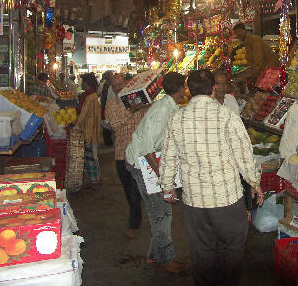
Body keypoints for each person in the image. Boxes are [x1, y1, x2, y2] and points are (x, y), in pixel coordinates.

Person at [160, 69, 263, 286]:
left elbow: (168, 156)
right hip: (227, 199)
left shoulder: (177, 118)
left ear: (188, 90)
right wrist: (254, 183)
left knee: (202, 250)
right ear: (214, 89)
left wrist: (167, 185)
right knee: (232, 246)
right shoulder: (228, 116)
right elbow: (244, 155)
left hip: (194, 201)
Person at [125, 72, 189, 274]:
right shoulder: (162, 109)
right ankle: (165, 259)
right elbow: (146, 146)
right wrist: (163, 176)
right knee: (161, 214)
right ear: (181, 88)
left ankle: (154, 255)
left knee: (159, 212)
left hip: (146, 162)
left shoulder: (169, 106)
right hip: (141, 162)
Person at [105, 73, 147, 238]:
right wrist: (132, 110)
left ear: (127, 83)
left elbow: (149, 116)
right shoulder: (111, 105)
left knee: (135, 190)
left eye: (121, 84)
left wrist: (146, 105)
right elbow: (114, 125)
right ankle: (136, 214)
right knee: (129, 191)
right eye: (115, 86)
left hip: (141, 153)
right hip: (122, 154)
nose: (118, 88)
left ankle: (134, 223)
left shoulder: (138, 98)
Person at [212, 69, 254, 220]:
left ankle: (243, 216)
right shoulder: (208, 104)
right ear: (211, 85)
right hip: (218, 157)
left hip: (235, 153)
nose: (221, 88)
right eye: (217, 84)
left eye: (224, 84)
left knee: (241, 189)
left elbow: (238, 125)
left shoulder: (230, 100)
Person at [75, 72, 102, 188]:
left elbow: (83, 114)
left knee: (91, 156)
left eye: (82, 82)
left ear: (86, 83)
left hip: (89, 130)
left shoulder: (90, 97)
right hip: (93, 129)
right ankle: (95, 179)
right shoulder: (93, 95)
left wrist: (76, 126)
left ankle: (95, 180)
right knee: (93, 155)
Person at [98, 71, 116, 146]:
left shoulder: (107, 85)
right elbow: (107, 99)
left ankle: (109, 141)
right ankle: (108, 142)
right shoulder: (108, 85)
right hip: (107, 107)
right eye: (111, 75)